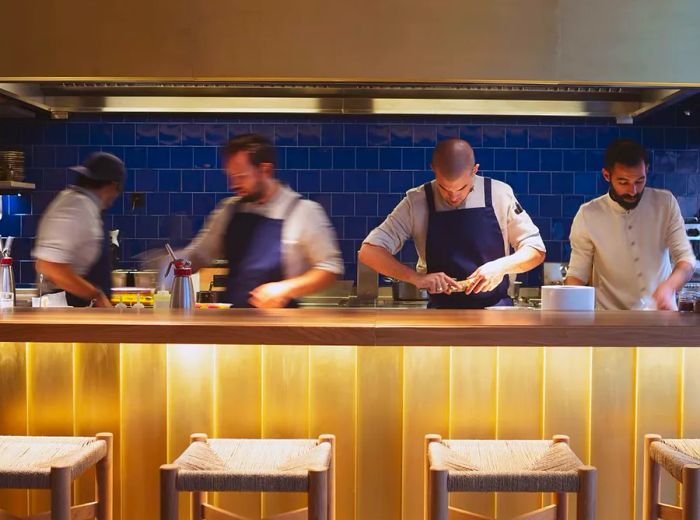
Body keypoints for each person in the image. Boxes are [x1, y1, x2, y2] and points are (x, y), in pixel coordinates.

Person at [359, 138, 546, 308]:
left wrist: (500, 267)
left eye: (462, 188)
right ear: (433, 169)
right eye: (444, 188)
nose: (453, 197)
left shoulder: (499, 194)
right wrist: (416, 279)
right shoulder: (416, 201)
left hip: (496, 310)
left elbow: (535, 250)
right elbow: (369, 251)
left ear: (475, 170)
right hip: (441, 312)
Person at [182, 133, 343, 308]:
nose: (233, 185)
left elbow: (330, 268)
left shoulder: (303, 211)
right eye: (231, 176)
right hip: (231, 324)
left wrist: (285, 288)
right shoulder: (228, 210)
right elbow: (200, 255)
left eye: (242, 177)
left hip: (280, 326)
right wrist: (173, 265)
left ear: (265, 170)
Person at [566, 139, 695, 310]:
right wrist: (570, 309)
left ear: (646, 171)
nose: (633, 191)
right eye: (623, 182)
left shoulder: (665, 203)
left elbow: (686, 260)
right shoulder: (588, 214)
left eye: (639, 181)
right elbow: (577, 275)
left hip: (660, 318)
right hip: (609, 322)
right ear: (607, 175)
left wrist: (669, 287)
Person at [33, 152, 125, 307]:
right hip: (66, 311)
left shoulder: (84, 204)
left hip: (78, 310)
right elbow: (49, 265)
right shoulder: (76, 206)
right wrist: (96, 296)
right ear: (112, 185)